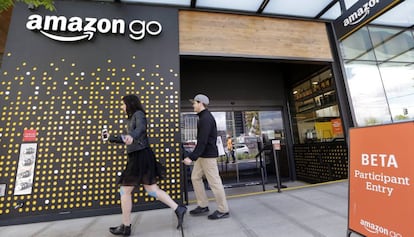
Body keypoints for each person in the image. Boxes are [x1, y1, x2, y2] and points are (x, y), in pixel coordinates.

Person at [103, 94, 187, 236]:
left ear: (130, 104)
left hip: (140, 156)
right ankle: (178, 208)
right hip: (139, 155)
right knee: (151, 190)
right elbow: (128, 138)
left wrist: (132, 136)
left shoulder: (139, 114)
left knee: (125, 191)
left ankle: (126, 226)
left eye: (123, 104)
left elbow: (140, 129)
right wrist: (111, 138)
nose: (122, 107)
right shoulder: (131, 118)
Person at [183, 94, 230, 220]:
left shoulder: (206, 119)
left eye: (194, 103)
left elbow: (203, 141)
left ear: (200, 103)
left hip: (208, 156)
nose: (193, 105)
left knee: (214, 182)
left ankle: (223, 210)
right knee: (195, 177)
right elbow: (202, 141)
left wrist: (191, 157)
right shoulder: (202, 117)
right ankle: (203, 205)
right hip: (203, 155)